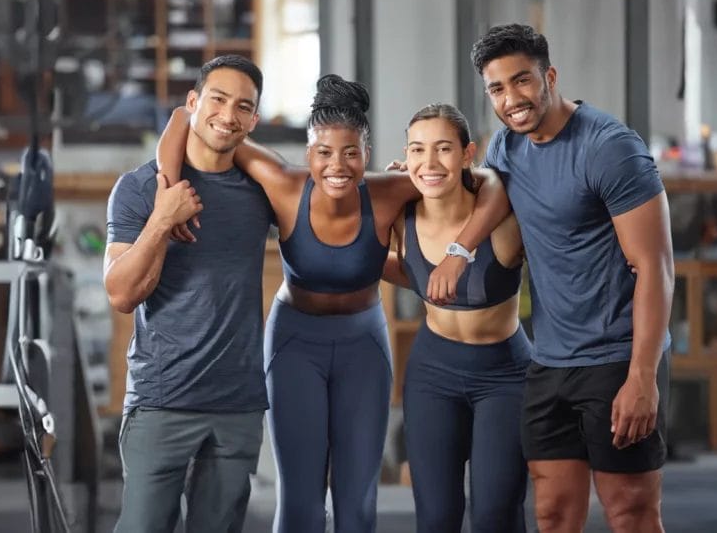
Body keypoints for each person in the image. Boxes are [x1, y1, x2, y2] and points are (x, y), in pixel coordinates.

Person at [157, 75, 505, 533]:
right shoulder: (281, 183)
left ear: (367, 155)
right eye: (324, 153)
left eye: (351, 153)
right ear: (308, 154)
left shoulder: (389, 191)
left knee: (356, 499)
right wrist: (167, 185)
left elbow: (489, 184)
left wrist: (457, 254)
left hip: (364, 345)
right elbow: (186, 117)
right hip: (294, 345)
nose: (337, 165)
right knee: (300, 501)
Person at [471, 24, 675, 533]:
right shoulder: (505, 151)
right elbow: (481, 222)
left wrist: (642, 376)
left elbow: (655, 266)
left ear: (550, 76)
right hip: (550, 361)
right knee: (553, 514)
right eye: (497, 89)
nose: (511, 99)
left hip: (616, 358)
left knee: (629, 511)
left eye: (522, 81)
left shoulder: (609, 147)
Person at [104, 55, 273, 533]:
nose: (228, 114)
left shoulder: (259, 190)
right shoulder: (139, 188)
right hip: (163, 398)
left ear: (254, 120)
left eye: (244, 106)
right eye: (217, 99)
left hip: (238, 402)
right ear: (193, 103)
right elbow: (120, 293)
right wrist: (163, 217)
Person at [382, 103, 530, 533]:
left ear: (468, 154)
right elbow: (402, 270)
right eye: (417, 150)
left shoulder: (502, 220)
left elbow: (565, 244)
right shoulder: (399, 216)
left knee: (494, 516)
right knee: (437, 517)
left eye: (443, 149)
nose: (429, 163)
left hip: (504, 374)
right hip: (433, 372)